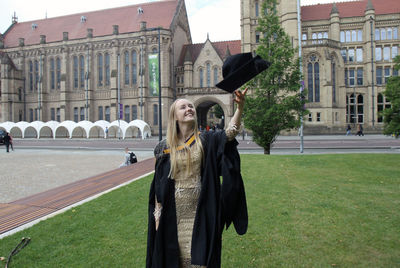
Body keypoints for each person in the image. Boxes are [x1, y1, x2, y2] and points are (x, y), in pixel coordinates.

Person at [146, 89, 249, 268]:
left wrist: (239, 108)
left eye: (191, 106)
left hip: (201, 213)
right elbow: (158, 186)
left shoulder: (206, 140)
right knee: (173, 260)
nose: (189, 109)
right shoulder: (163, 148)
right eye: (183, 107)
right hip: (172, 216)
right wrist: (157, 217)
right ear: (174, 116)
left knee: (201, 261)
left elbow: (230, 133)